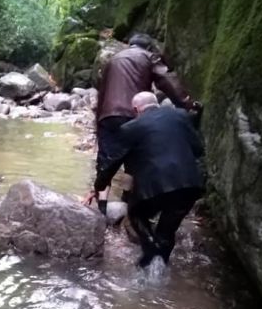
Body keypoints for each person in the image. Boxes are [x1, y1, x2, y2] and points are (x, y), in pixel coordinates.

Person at [85, 92, 204, 268]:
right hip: (189, 185)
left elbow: (112, 162)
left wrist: (98, 187)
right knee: (167, 231)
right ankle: (159, 268)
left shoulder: (131, 128)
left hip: (154, 186)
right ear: (156, 103)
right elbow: (199, 149)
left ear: (135, 109)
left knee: (136, 214)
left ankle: (149, 249)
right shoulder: (180, 115)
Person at [94, 33, 198, 214]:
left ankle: (101, 209)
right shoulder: (150, 57)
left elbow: (101, 92)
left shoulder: (112, 60)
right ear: (148, 47)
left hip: (108, 115)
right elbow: (167, 81)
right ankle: (128, 202)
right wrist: (186, 104)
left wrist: (99, 120)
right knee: (136, 160)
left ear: (130, 45)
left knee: (106, 160)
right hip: (136, 113)